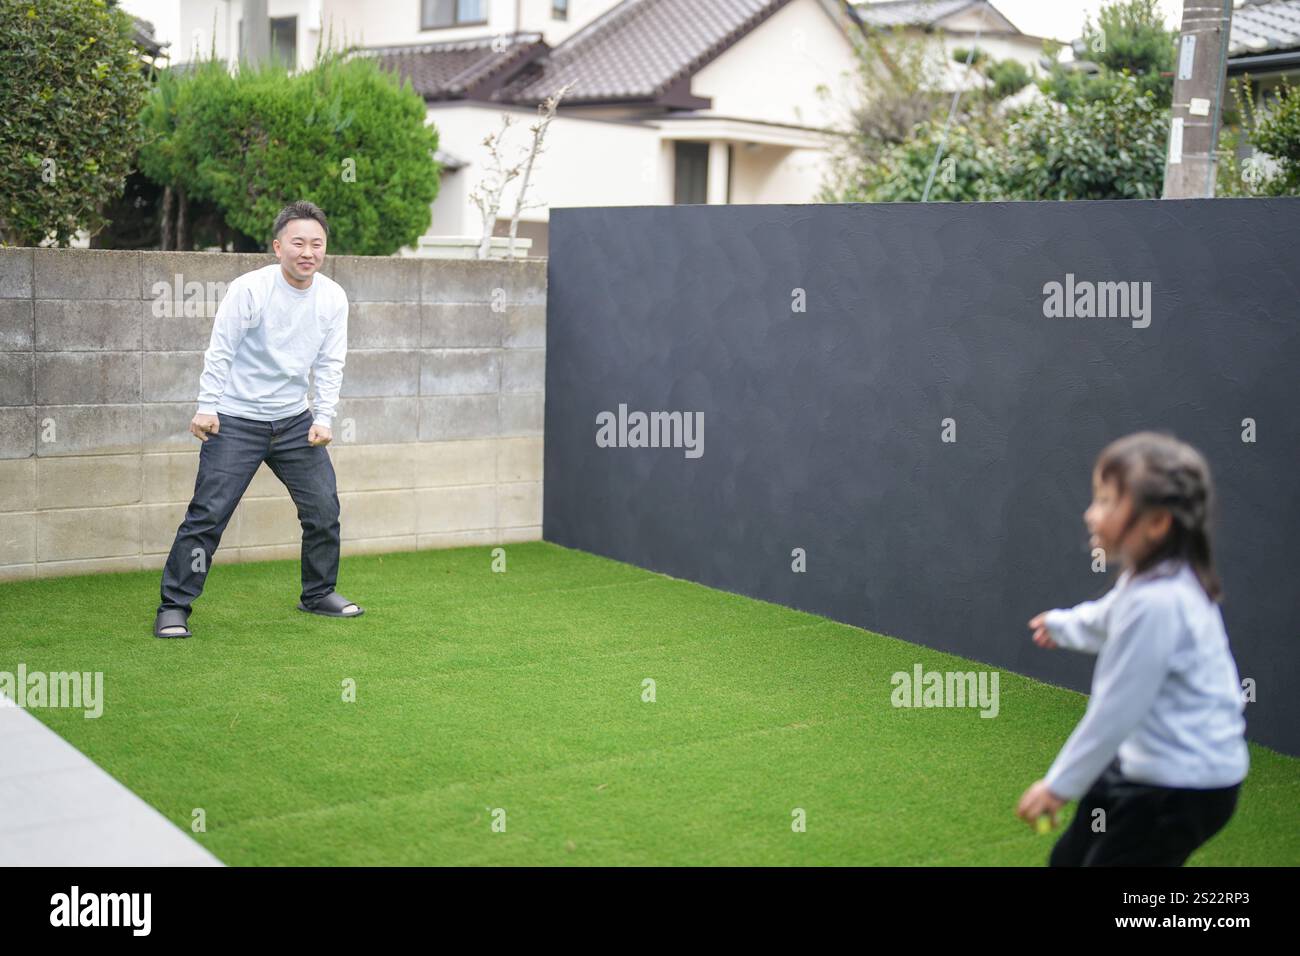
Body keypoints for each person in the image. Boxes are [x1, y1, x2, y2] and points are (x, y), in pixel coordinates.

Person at [1016, 431, 1248, 865]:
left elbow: (1116, 709)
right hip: (1144, 764)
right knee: (1069, 858)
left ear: (1158, 522)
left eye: (1106, 501)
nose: (1090, 514)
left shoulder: (1159, 603)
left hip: (1185, 786)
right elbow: (1107, 616)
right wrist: (1062, 625)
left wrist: (1057, 786)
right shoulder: (1151, 580)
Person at [153, 200, 364, 638]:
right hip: (235, 419)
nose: (308, 251)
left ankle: (319, 593)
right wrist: (207, 406)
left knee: (323, 509)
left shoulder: (332, 297)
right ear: (277, 246)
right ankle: (174, 606)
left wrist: (324, 416)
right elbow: (221, 349)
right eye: (298, 242)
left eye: (317, 244)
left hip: (294, 422)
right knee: (208, 515)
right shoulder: (250, 289)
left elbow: (330, 362)